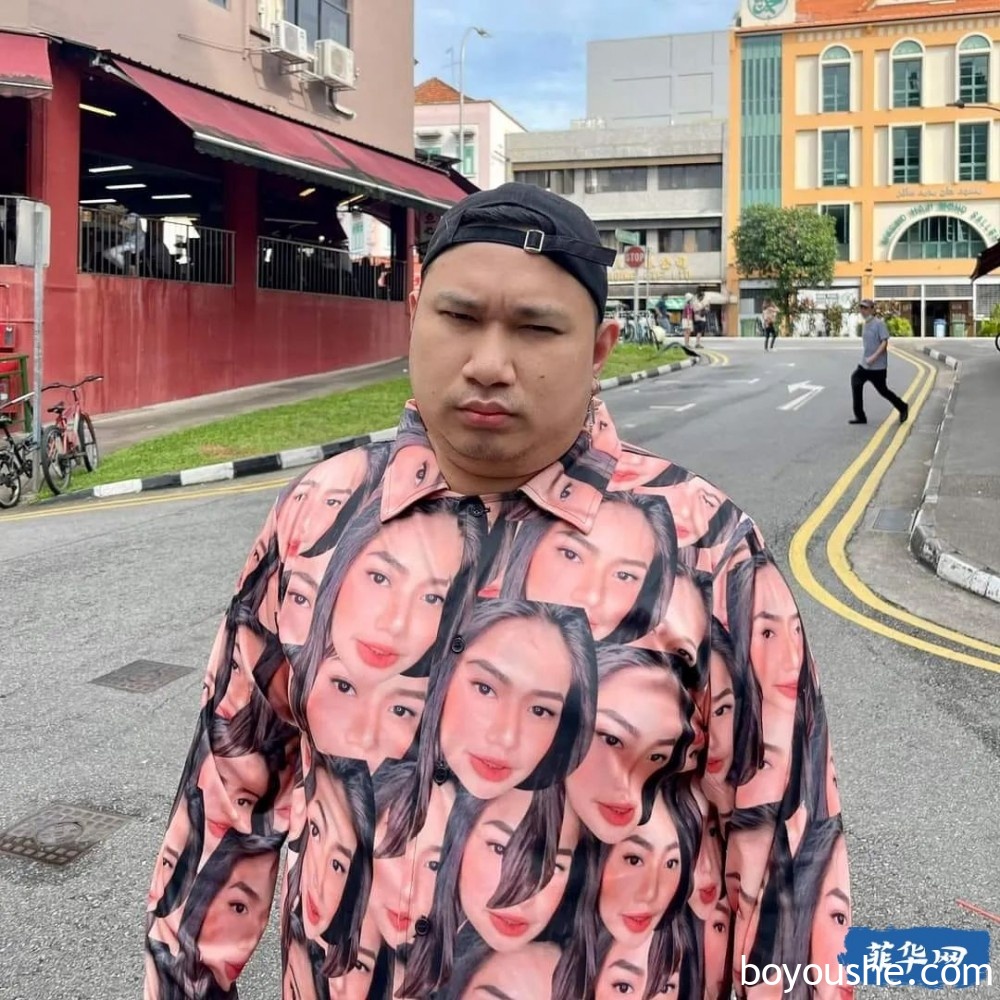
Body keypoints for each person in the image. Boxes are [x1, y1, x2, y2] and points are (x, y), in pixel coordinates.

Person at [144, 182, 851, 999]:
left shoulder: (707, 551)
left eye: (536, 328)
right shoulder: (319, 516)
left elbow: (784, 853)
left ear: (600, 349)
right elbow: (229, 790)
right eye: (458, 317)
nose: (488, 364)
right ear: (415, 317)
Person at [850, 298, 908, 426]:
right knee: (855, 380)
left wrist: (874, 357)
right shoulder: (866, 324)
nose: (863, 310)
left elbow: (884, 342)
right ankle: (860, 416)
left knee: (883, 391)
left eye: (866, 308)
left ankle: (902, 407)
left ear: (872, 309)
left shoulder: (879, 324)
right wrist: (867, 359)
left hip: (877, 367)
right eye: (861, 308)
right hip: (865, 365)